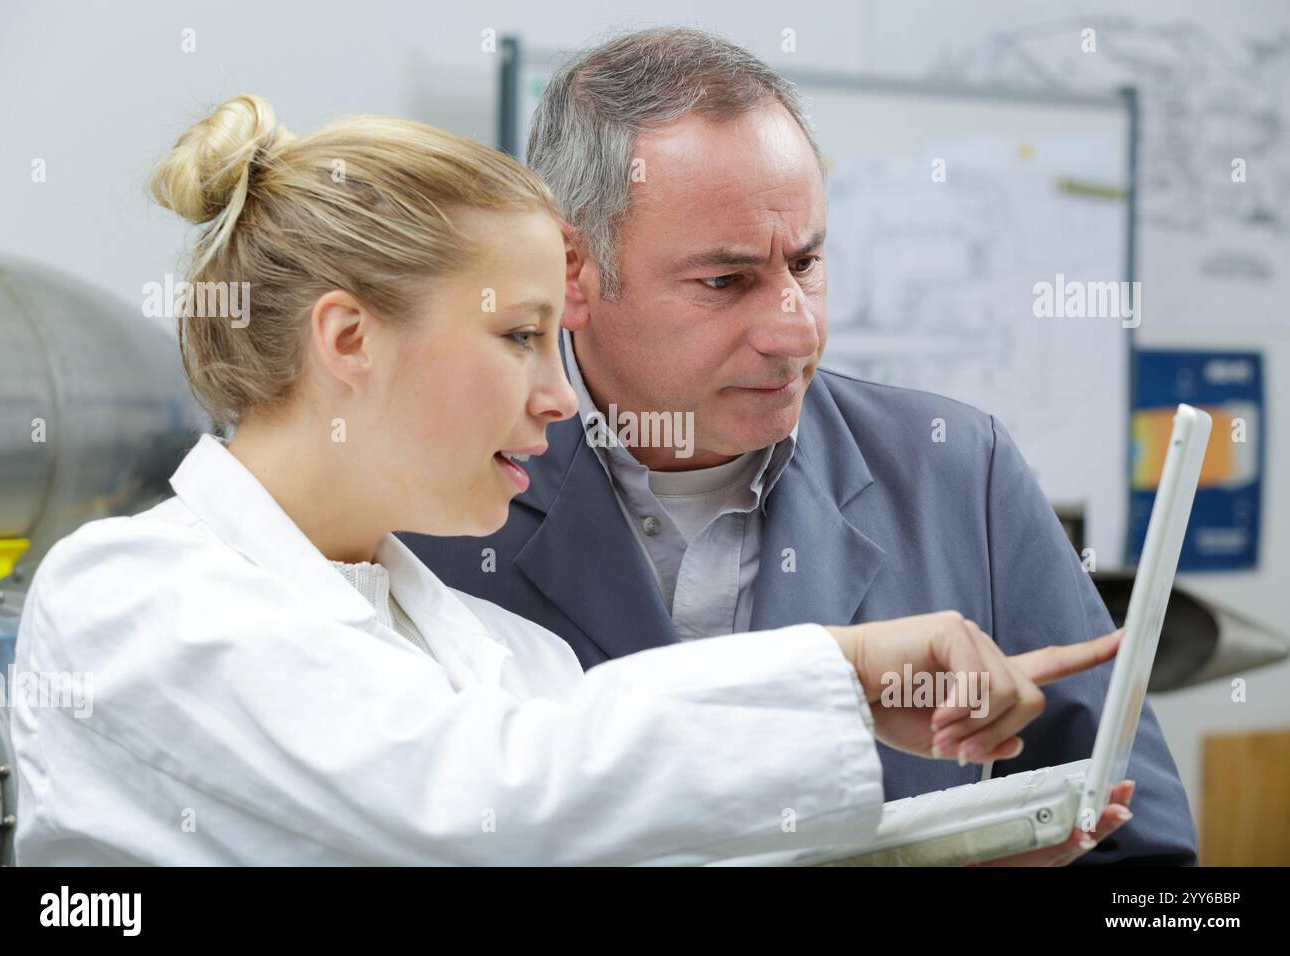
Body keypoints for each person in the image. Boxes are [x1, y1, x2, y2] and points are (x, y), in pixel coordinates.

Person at [9, 94, 1129, 867]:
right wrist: (838, 667)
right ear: (348, 339)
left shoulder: (501, 655)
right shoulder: (133, 597)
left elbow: (619, 815)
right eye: (519, 337)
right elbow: (477, 800)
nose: (559, 394)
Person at [403, 27, 1197, 865]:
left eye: (807, 262)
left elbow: (1143, 860)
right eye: (726, 280)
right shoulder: (427, 504)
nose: (795, 329)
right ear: (574, 270)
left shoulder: (960, 472)